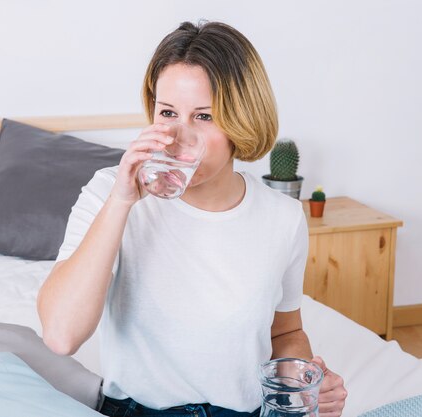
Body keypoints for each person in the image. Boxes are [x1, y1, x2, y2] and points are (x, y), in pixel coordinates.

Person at [38, 21, 347, 417]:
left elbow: (285, 332)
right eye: (167, 112)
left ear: (243, 120)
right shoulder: (107, 192)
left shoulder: (282, 216)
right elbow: (61, 336)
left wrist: (302, 385)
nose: (178, 136)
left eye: (204, 116)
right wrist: (120, 201)